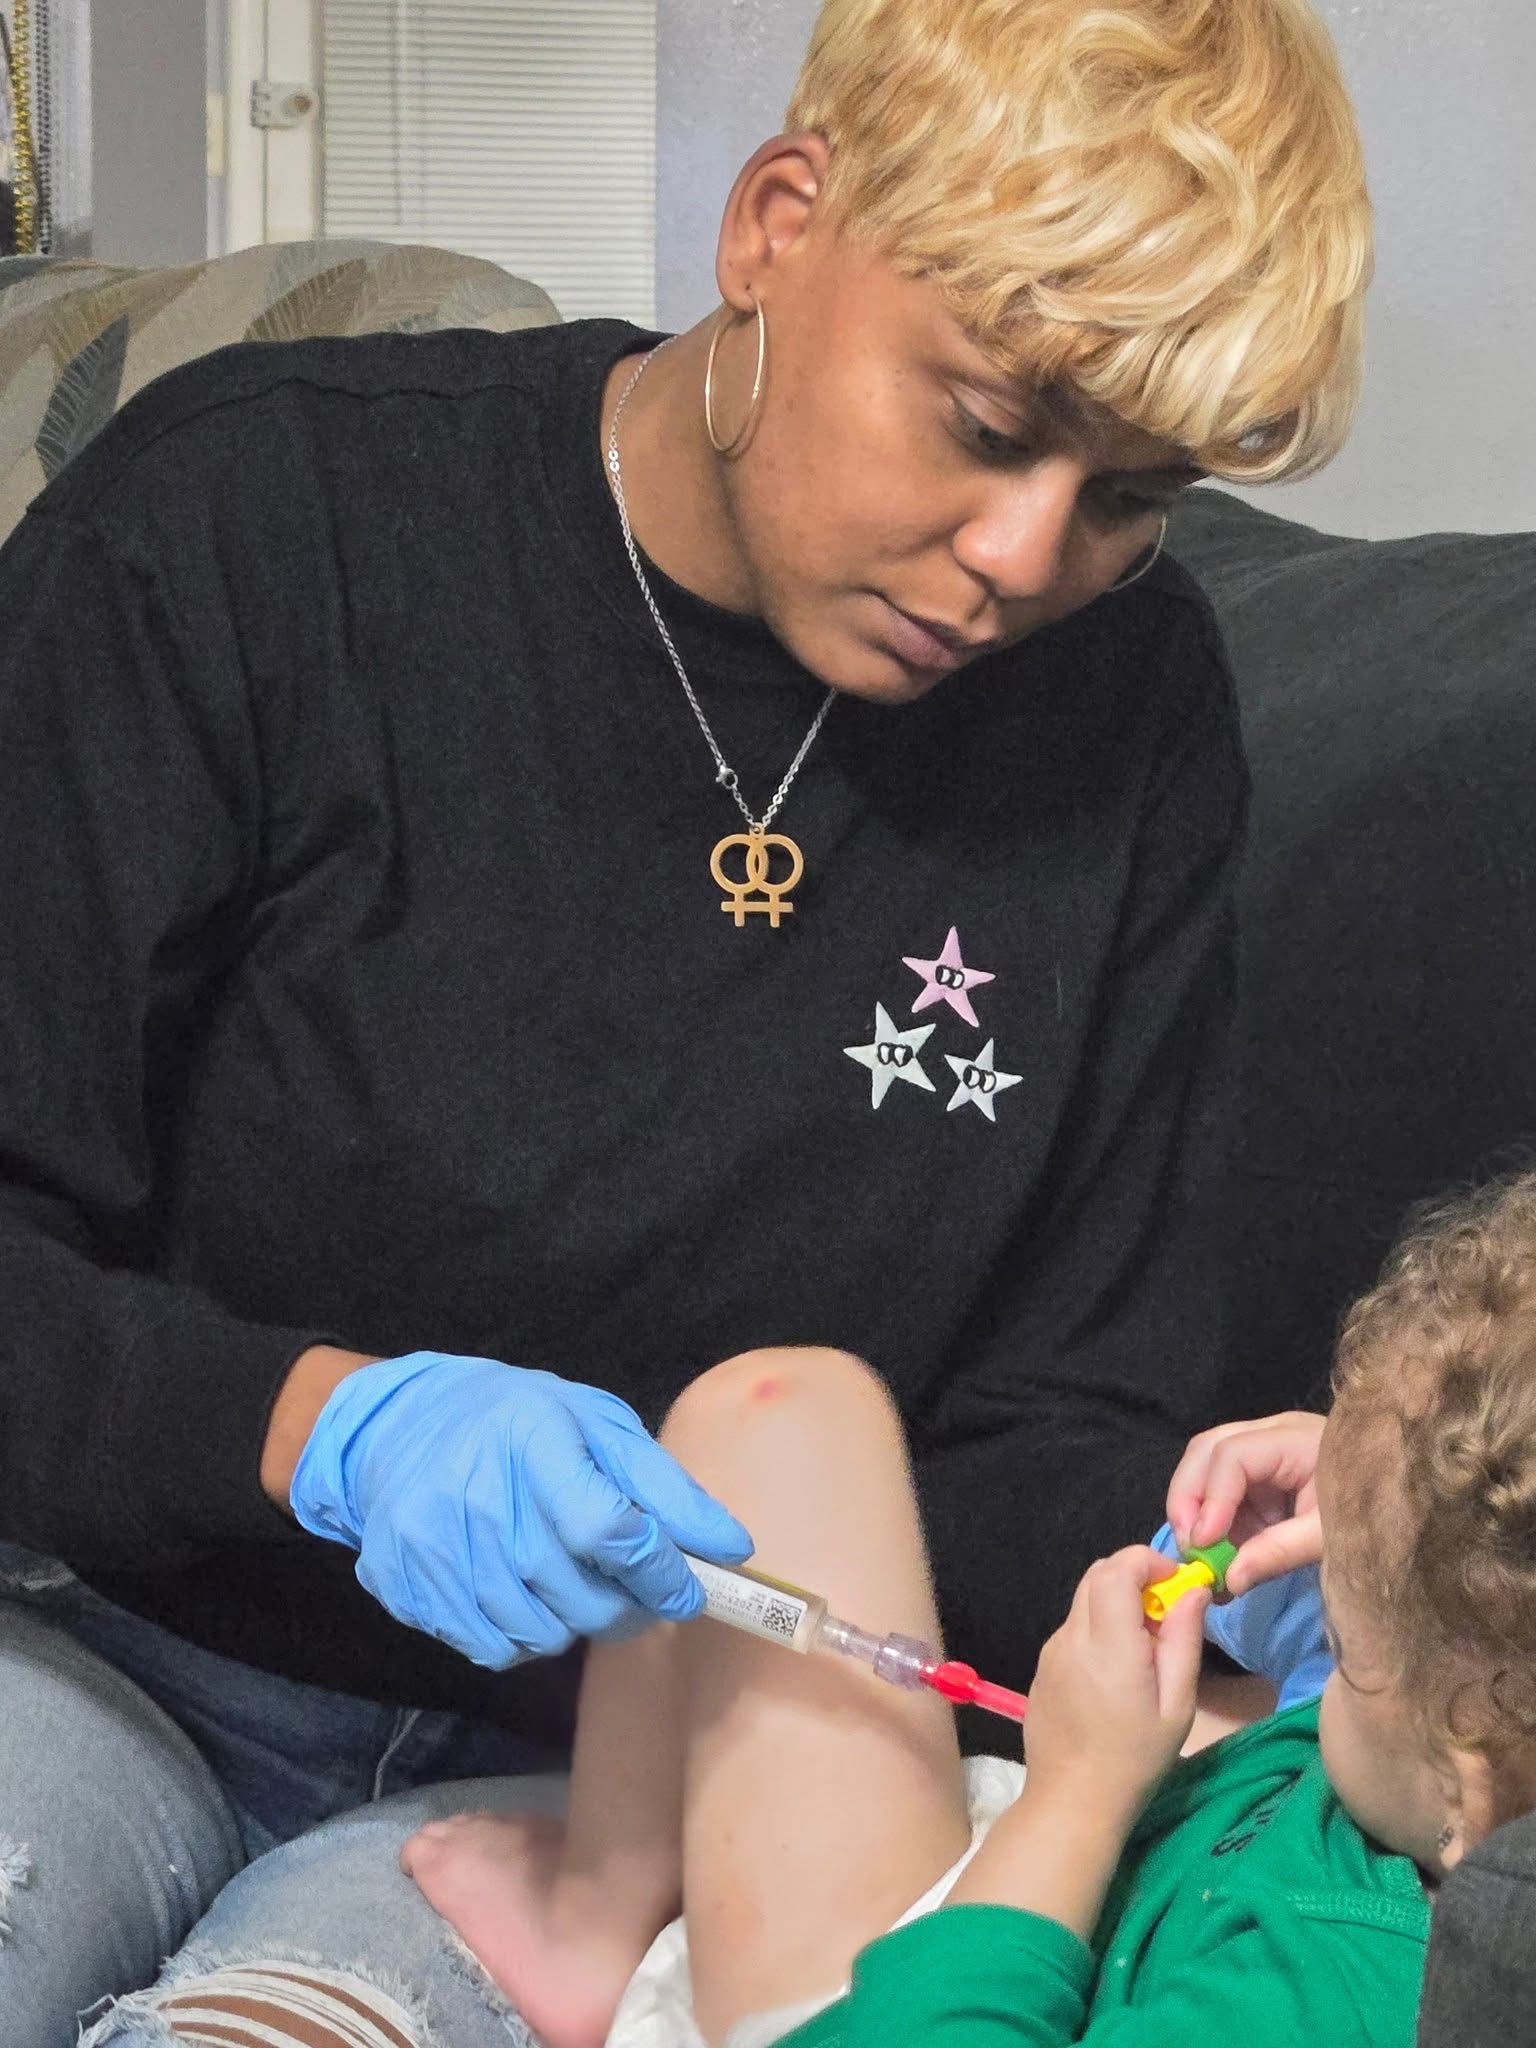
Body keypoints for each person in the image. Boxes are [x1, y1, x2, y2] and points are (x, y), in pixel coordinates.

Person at [0, 0, 1370, 2042]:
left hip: (616, 1785)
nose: (1021, 559)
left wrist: (1221, 1567)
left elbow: (1035, 1429)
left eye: (1128, 495)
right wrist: (326, 1429)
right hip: (107, 1639)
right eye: (987, 424)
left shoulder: (1131, 710)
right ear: (776, 224)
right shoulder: (253, 525)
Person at [397, 1171, 1536, 2048]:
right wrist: (1375, 1507)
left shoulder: (1316, 2003)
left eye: (1338, 1643)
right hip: (1067, 1913)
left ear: (1470, 1792)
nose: (1319, 1662)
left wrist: (1074, 1799)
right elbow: (1406, 1692)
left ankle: (590, 1931)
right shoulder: (1455, 1771)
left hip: (903, 2004)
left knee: (760, 1422)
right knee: (788, 1413)